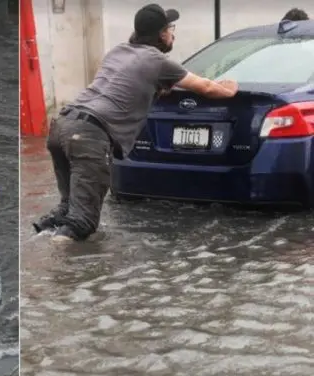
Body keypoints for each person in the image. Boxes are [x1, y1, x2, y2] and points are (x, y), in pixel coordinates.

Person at [33, 3, 239, 242]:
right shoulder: (159, 62)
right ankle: (58, 261)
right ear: (161, 34)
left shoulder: (117, 51)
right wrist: (231, 88)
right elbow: (206, 87)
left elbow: (122, 85)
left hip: (62, 125)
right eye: (170, 29)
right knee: (82, 224)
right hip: (88, 136)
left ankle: (41, 240)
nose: (173, 34)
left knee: (66, 210)